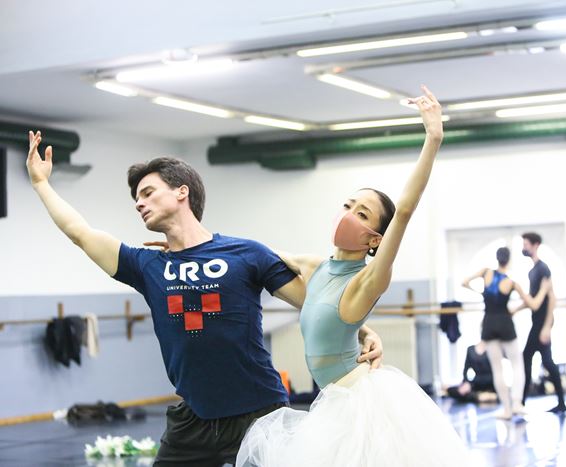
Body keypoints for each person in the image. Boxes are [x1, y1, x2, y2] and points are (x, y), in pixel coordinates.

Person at [25, 132, 384, 466]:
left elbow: (317, 307)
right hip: (192, 420)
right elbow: (80, 233)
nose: (139, 203)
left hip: (258, 414)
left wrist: (364, 331)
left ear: (181, 192)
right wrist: (41, 184)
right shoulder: (146, 265)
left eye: (148, 192)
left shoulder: (246, 254)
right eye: (136, 198)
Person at [235, 85, 469, 467]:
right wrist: (188, 243)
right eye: (348, 205)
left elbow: (404, 210)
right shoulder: (314, 267)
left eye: (361, 214)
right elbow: (252, 253)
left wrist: (433, 138)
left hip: (359, 403)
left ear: (375, 238)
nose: (348, 215)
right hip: (329, 402)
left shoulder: (369, 279)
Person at [462, 246, 551, 419]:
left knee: (497, 369)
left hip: (489, 324)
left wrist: (482, 293)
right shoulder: (511, 283)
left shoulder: (485, 272)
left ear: (497, 259)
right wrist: (543, 290)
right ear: (508, 261)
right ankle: (517, 403)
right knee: (517, 364)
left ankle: (507, 409)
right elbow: (534, 304)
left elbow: (464, 282)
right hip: (505, 323)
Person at [516, 232, 566, 413]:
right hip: (536, 322)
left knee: (537, 360)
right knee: (543, 361)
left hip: (542, 324)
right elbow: (531, 299)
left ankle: (522, 402)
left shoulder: (543, 269)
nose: (524, 247)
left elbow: (551, 298)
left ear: (535, 245)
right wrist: (514, 310)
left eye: (526, 244)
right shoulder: (532, 271)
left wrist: (547, 327)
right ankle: (557, 402)